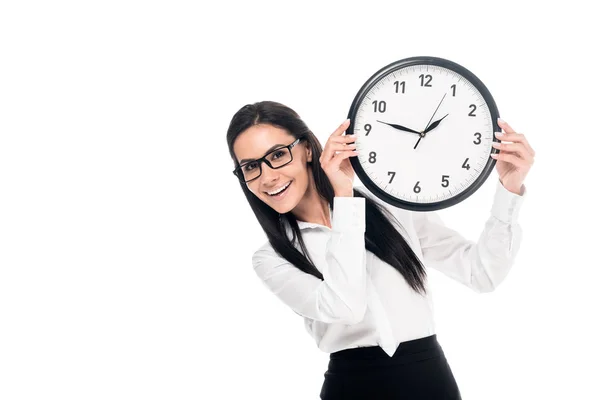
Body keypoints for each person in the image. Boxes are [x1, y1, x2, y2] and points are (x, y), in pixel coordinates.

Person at [226, 100, 534, 399]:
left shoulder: (388, 201)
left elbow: (482, 273)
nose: (268, 176)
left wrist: (509, 189)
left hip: (430, 382)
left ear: (307, 148)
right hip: (352, 387)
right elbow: (346, 306)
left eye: (277, 155)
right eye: (251, 167)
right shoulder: (270, 258)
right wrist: (344, 199)